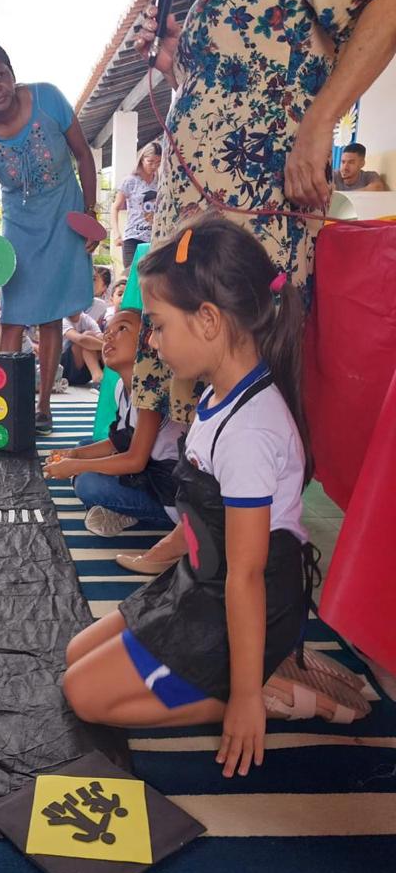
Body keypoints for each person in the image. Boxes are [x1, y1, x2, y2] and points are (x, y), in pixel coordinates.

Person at [64, 217, 317, 781]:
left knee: (84, 695)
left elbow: (247, 575)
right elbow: (205, 521)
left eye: (156, 325)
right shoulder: (213, 399)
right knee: (75, 656)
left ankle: (258, 686)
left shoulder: (250, 432)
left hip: (243, 599)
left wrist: (244, 699)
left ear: (208, 320)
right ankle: (246, 674)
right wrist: (164, 566)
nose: (152, 341)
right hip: (203, 580)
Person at [136, 0, 396, 304]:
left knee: (241, 332)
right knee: (186, 333)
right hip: (192, 210)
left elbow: (386, 3)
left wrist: (320, 122)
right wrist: (180, 63)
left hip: (256, 202)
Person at [0, 40, 97, 438]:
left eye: (0, 74)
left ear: (12, 72)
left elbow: (84, 156)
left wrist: (89, 216)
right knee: (12, 316)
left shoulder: (48, 97)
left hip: (62, 216)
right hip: (19, 226)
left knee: (51, 313)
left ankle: (42, 408)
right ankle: (0, 409)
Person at [45, 309, 183, 537]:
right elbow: (119, 441)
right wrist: (75, 455)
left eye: (122, 329)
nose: (108, 337)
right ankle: (117, 505)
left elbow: (136, 460)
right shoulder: (123, 386)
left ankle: (133, 513)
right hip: (148, 466)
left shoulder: (152, 388)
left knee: (88, 483)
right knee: (84, 445)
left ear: (149, 338)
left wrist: (78, 465)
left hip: (168, 489)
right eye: (107, 331)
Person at [110, 141, 161, 271]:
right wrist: (116, 233)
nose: (154, 166)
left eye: (158, 162)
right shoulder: (130, 181)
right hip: (133, 237)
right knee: (131, 276)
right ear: (142, 159)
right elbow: (115, 207)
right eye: (150, 162)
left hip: (154, 239)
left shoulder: (161, 181)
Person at [61, 310, 103, 388]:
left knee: (92, 337)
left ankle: (106, 376)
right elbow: (80, 339)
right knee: (87, 338)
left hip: (84, 371)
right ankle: (98, 377)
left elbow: (101, 336)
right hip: (66, 370)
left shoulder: (86, 319)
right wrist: (106, 346)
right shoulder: (63, 320)